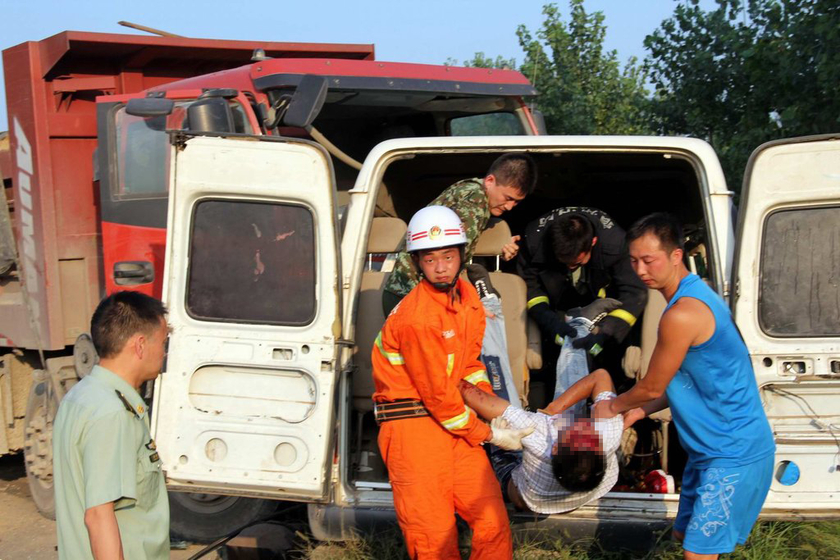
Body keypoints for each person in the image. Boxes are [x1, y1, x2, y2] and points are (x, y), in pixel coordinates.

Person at [596, 213, 775, 560]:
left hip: (733, 452)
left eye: (649, 260)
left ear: (676, 255)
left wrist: (613, 405)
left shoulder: (683, 313)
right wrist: (637, 411)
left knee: (698, 554)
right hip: (706, 452)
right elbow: (684, 382)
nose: (640, 270)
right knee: (682, 535)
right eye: (633, 260)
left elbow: (651, 386)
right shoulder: (691, 296)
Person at [372, 206, 533, 560]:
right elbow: (438, 395)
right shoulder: (417, 318)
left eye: (448, 256)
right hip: (412, 432)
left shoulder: (468, 299)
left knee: (492, 521)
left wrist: (489, 407)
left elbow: (470, 365)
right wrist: (489, 434)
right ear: (417, 263)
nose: (441, 266)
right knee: (434, 539)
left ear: (462, 255)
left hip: (454, 426)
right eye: (430, 259)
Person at [458, 301, 625, 514]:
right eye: (588, 429)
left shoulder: (539, 438)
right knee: (571, 403)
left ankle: (488, 307)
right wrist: (556, 407)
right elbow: (600, 377)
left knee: (496, 389)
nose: (583, 425)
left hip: (521, 486)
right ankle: (578, 327)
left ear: (554, 448)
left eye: (575, 431)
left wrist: (445, 376)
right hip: (573, 487)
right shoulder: (607, 436)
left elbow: (483, 402)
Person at [53, 291, 170, 560]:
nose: (163, 352)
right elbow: (98, 516)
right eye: (162, 342)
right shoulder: (113, 413)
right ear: (140, 345)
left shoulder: (82, 396)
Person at [382, 152, 537, 315]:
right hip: (414, 298)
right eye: (508, 198)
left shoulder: (469, 190)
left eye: (516, 202)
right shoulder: (475, 202)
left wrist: (502, 242)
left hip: (404, 293)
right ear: (490, 181)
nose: (510, 207)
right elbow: (449, 261)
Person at [517, 207, 647, 359]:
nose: (570, 266)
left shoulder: (615, 243)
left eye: (576, 262)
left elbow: (635, 293)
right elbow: (529, 286)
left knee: (607, 355)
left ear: (593, 242)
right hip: (557, 298)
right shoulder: (534, 240)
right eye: (564, 262)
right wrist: (549, 321)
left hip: (602, 300)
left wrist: (606, 331)